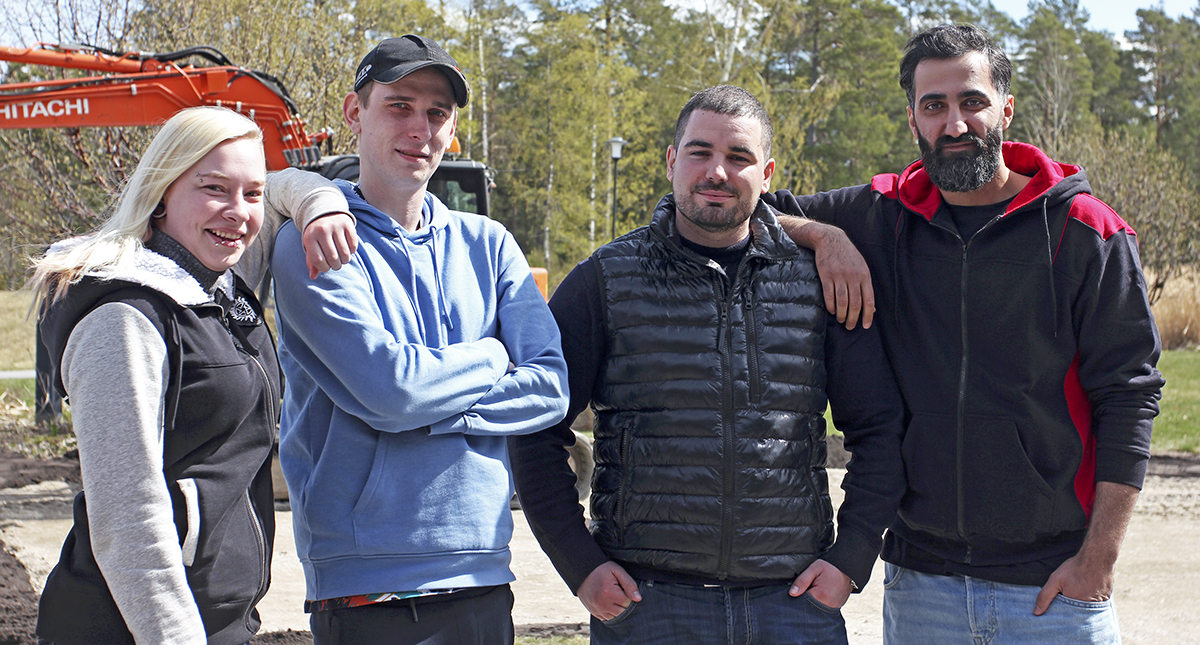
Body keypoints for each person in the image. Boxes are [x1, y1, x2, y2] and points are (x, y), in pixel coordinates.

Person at [764, 23, 1165, 644]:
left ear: (1004, 107)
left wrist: (1099, 560)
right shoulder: (882, 215)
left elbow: (1130, 396)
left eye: (971, 102)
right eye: (935, 106)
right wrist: (825, 235)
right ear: (912, 119)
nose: (955, 124)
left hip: (1053, 592)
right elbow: (739, 207)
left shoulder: (1087, 232)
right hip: (922, 588)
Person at [509, 85, 906, 645]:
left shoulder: (819, 283)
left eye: (739, 157)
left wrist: (852, 558)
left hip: (792, 606)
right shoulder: (604, 281)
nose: (717, 171)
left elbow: (879, 429)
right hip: (649, 608)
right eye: (700, 152)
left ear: (766, 173)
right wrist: (580, 565)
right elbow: (535, 428)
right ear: (672, 161)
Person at [266, 35, 569, 645]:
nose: (420, 129)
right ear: (355, 113)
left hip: (483, 574)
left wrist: (426, 409)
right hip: (365, 588)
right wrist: (492, 354)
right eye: (399, 106)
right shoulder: (317, 242)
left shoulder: (490, 244)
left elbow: (551, 388)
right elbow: (392, 390)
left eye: (437, 114)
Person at [29, 105, 352, 645]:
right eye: (213, 188)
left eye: (249, 194)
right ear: (160, 192)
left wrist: (319, 205)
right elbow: (127, 515)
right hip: (131, 627)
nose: (239, 212)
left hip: (219, 618)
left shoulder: (215, 286)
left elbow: (281, 188)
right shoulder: (126, 317)